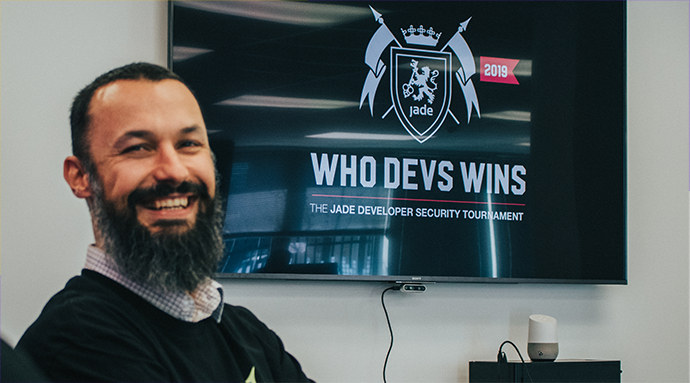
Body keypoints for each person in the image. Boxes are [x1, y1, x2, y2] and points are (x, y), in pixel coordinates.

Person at [15, 62, 313, 383]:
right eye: (138, 148)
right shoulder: (77, 337)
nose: (174, 170)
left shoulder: (248, 334)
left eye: (188, 144)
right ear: (80, 177)